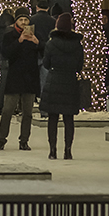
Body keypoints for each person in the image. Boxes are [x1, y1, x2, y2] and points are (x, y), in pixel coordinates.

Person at [0, 7, 41, 151]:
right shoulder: (10, 35)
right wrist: (19, 41)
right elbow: (6, 53)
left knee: (27, 112)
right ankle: (1, 139)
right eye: (20, 20)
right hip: (14, 77)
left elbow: (44, 52)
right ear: (16, 21)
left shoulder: (35, 35)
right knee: (8, 110)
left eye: (25, 20)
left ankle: (24, 140)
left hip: (30, 78)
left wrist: (37, 43)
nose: (23, 22)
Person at [40, 13, 84, 159]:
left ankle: (52, 150)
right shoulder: (77, 45)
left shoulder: (51, 43)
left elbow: (46, 64)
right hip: (70, 82)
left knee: (53, 118)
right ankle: (68, 150)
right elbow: (79, 66)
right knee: (68, 119)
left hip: (54, 80)